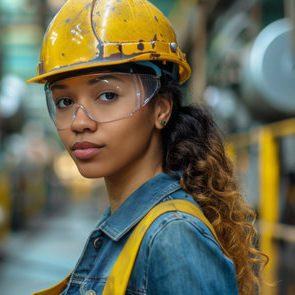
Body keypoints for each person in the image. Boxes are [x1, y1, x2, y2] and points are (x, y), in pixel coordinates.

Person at [27, 0, 268, 294]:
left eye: (106, 96)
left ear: (161, 109)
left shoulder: (173, 238)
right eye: (65, 102)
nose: (79, 122)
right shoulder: (122, 227)